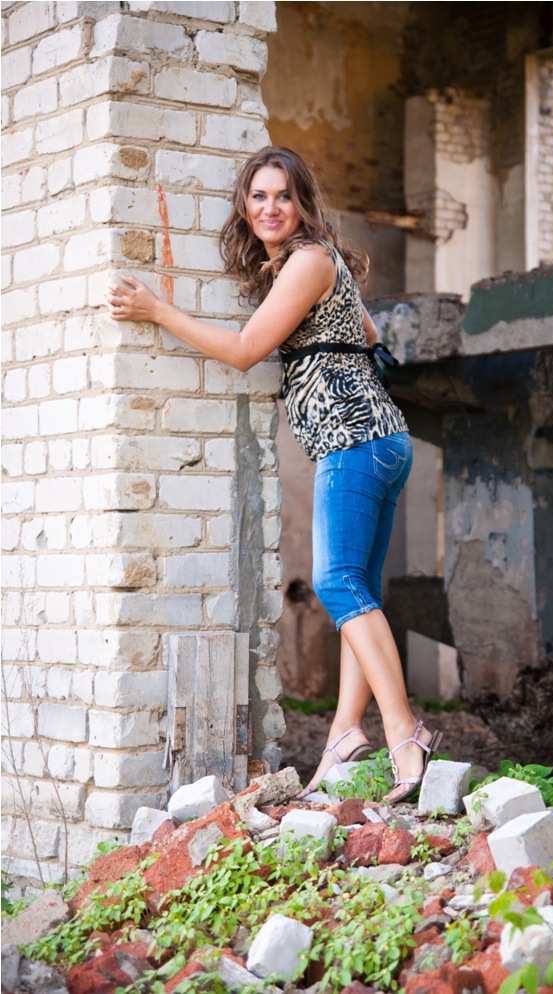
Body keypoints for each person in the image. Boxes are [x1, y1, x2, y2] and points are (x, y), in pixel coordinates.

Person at [105, 146, 442, 803]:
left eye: (283, 195)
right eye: (258, 196)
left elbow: (244, 350)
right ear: (245, 203)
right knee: (358, 593)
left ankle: (406, 733)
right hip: (382, 438)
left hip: (352, 440)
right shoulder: (317, 263)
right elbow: (371, 332)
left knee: (337, 584)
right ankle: (344, 735)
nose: (270, 207)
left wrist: (158, 311)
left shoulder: (309, 260)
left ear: (302, 202)